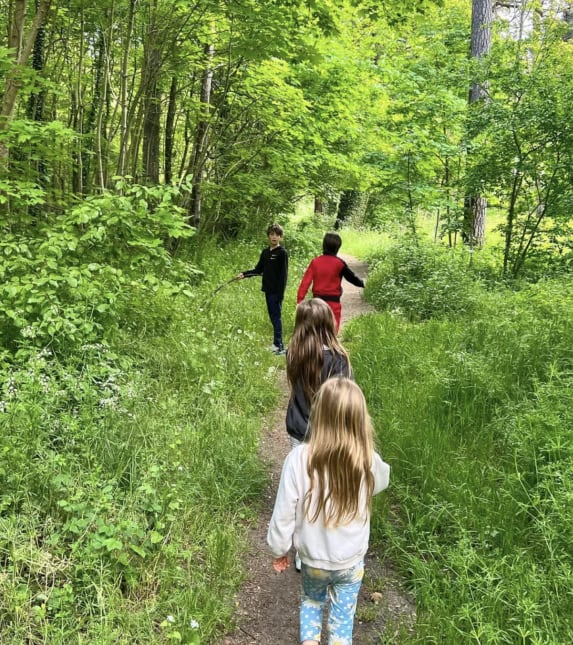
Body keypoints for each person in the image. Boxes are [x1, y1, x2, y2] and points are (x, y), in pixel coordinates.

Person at [267, 377, 390, 645]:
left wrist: (279, 550)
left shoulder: (299, 458)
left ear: (318, 415)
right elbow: (382, 481)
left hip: (313, 561)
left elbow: (284, 512)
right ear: (360, 421)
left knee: (312, 603)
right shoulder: (365, 459)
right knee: (342, 621)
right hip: (350, 562)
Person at [286, 298, 351, 450]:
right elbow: (343, 399)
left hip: (298, 428)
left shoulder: (293, 354)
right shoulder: (339, 359)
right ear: (329, 323)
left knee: (300, 469)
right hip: (329, 433)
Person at [297, 232, 365, 333]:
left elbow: (305, 283)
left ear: (323, 245)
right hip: (333, 304)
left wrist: (300, 301)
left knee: (317, 331)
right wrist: (362, 284)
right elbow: (352, 278)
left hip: (317, 304)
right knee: (332, 332)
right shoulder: (340, 263)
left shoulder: (315, 262)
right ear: (337, 248)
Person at [238, 223, 288, 354]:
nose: (274, 237)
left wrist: (280, 294)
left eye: (277, 235)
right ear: (268, 236)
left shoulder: (282, 253)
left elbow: (284, 275)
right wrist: (244, 274)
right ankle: (276, 344)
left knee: (276, 318)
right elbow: (258, 269)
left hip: (276, 292)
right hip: (267, 290)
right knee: (272, 317)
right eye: (272, 234)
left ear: (280, 237)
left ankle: (280, 346)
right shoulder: (265, 253)